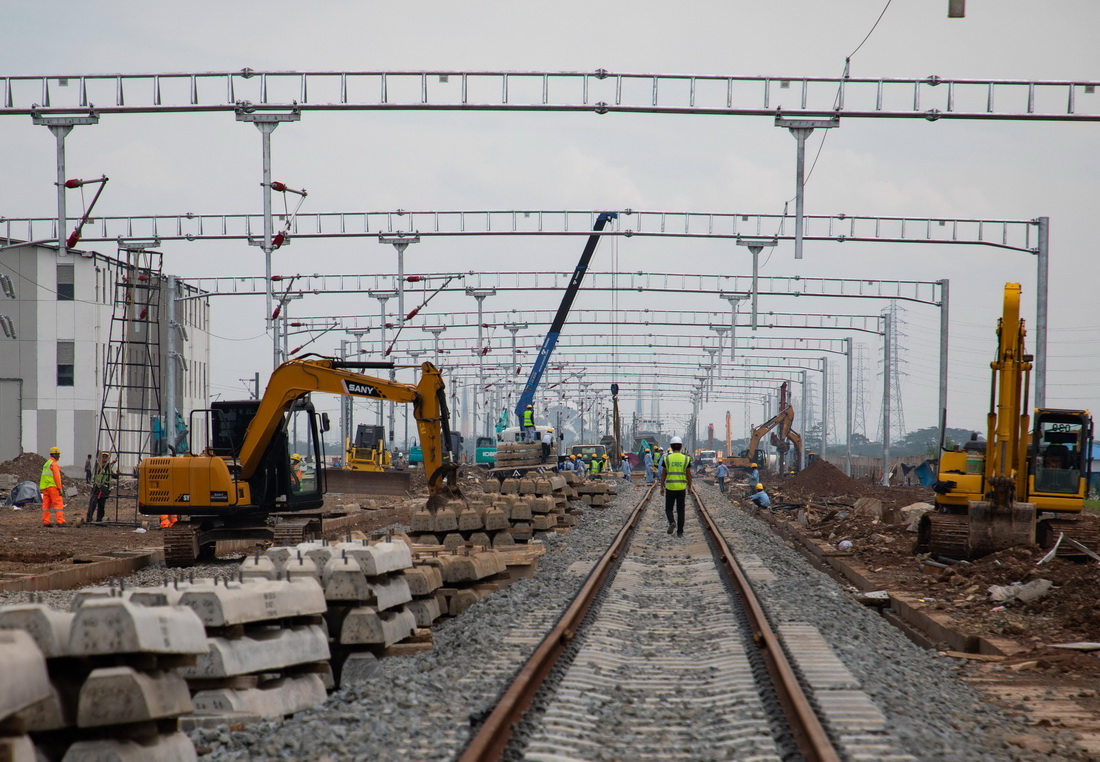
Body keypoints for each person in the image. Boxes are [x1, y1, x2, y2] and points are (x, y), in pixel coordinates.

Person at [659, 436, 692, 537]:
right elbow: (688, 474)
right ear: (681, 447)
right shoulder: (686, 458)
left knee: (668, 509)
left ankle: (672, 522)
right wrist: (690, 486)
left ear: (671, 446)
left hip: (670, 487)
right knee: (680, 510)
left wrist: (661, 487)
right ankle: (680, 532)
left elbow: (664, 474)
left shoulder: (667, 458)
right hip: (681, 488)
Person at [40, 447, 66, 527]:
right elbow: (57, 477)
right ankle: (60, 521)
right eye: (58, 454)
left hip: (45, 487)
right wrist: (60, 488)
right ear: (54, 454)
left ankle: (46, 521)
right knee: (58, 504)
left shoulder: (46, 464)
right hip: (53, 487)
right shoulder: (54, 464)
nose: (59, 456)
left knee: (46, 505)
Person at [86, 451, 115, 523]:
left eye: (106, 457)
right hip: (96, 487)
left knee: (101, 505)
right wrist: (110, 464)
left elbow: (113, 475)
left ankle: (99, 520)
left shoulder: (108, 468)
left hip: (104, 488)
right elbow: (100, 469)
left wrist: (118, 474)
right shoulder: (98, 465)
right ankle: (89, 519)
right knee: (93, 503)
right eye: (103, 456)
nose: (104, 458)